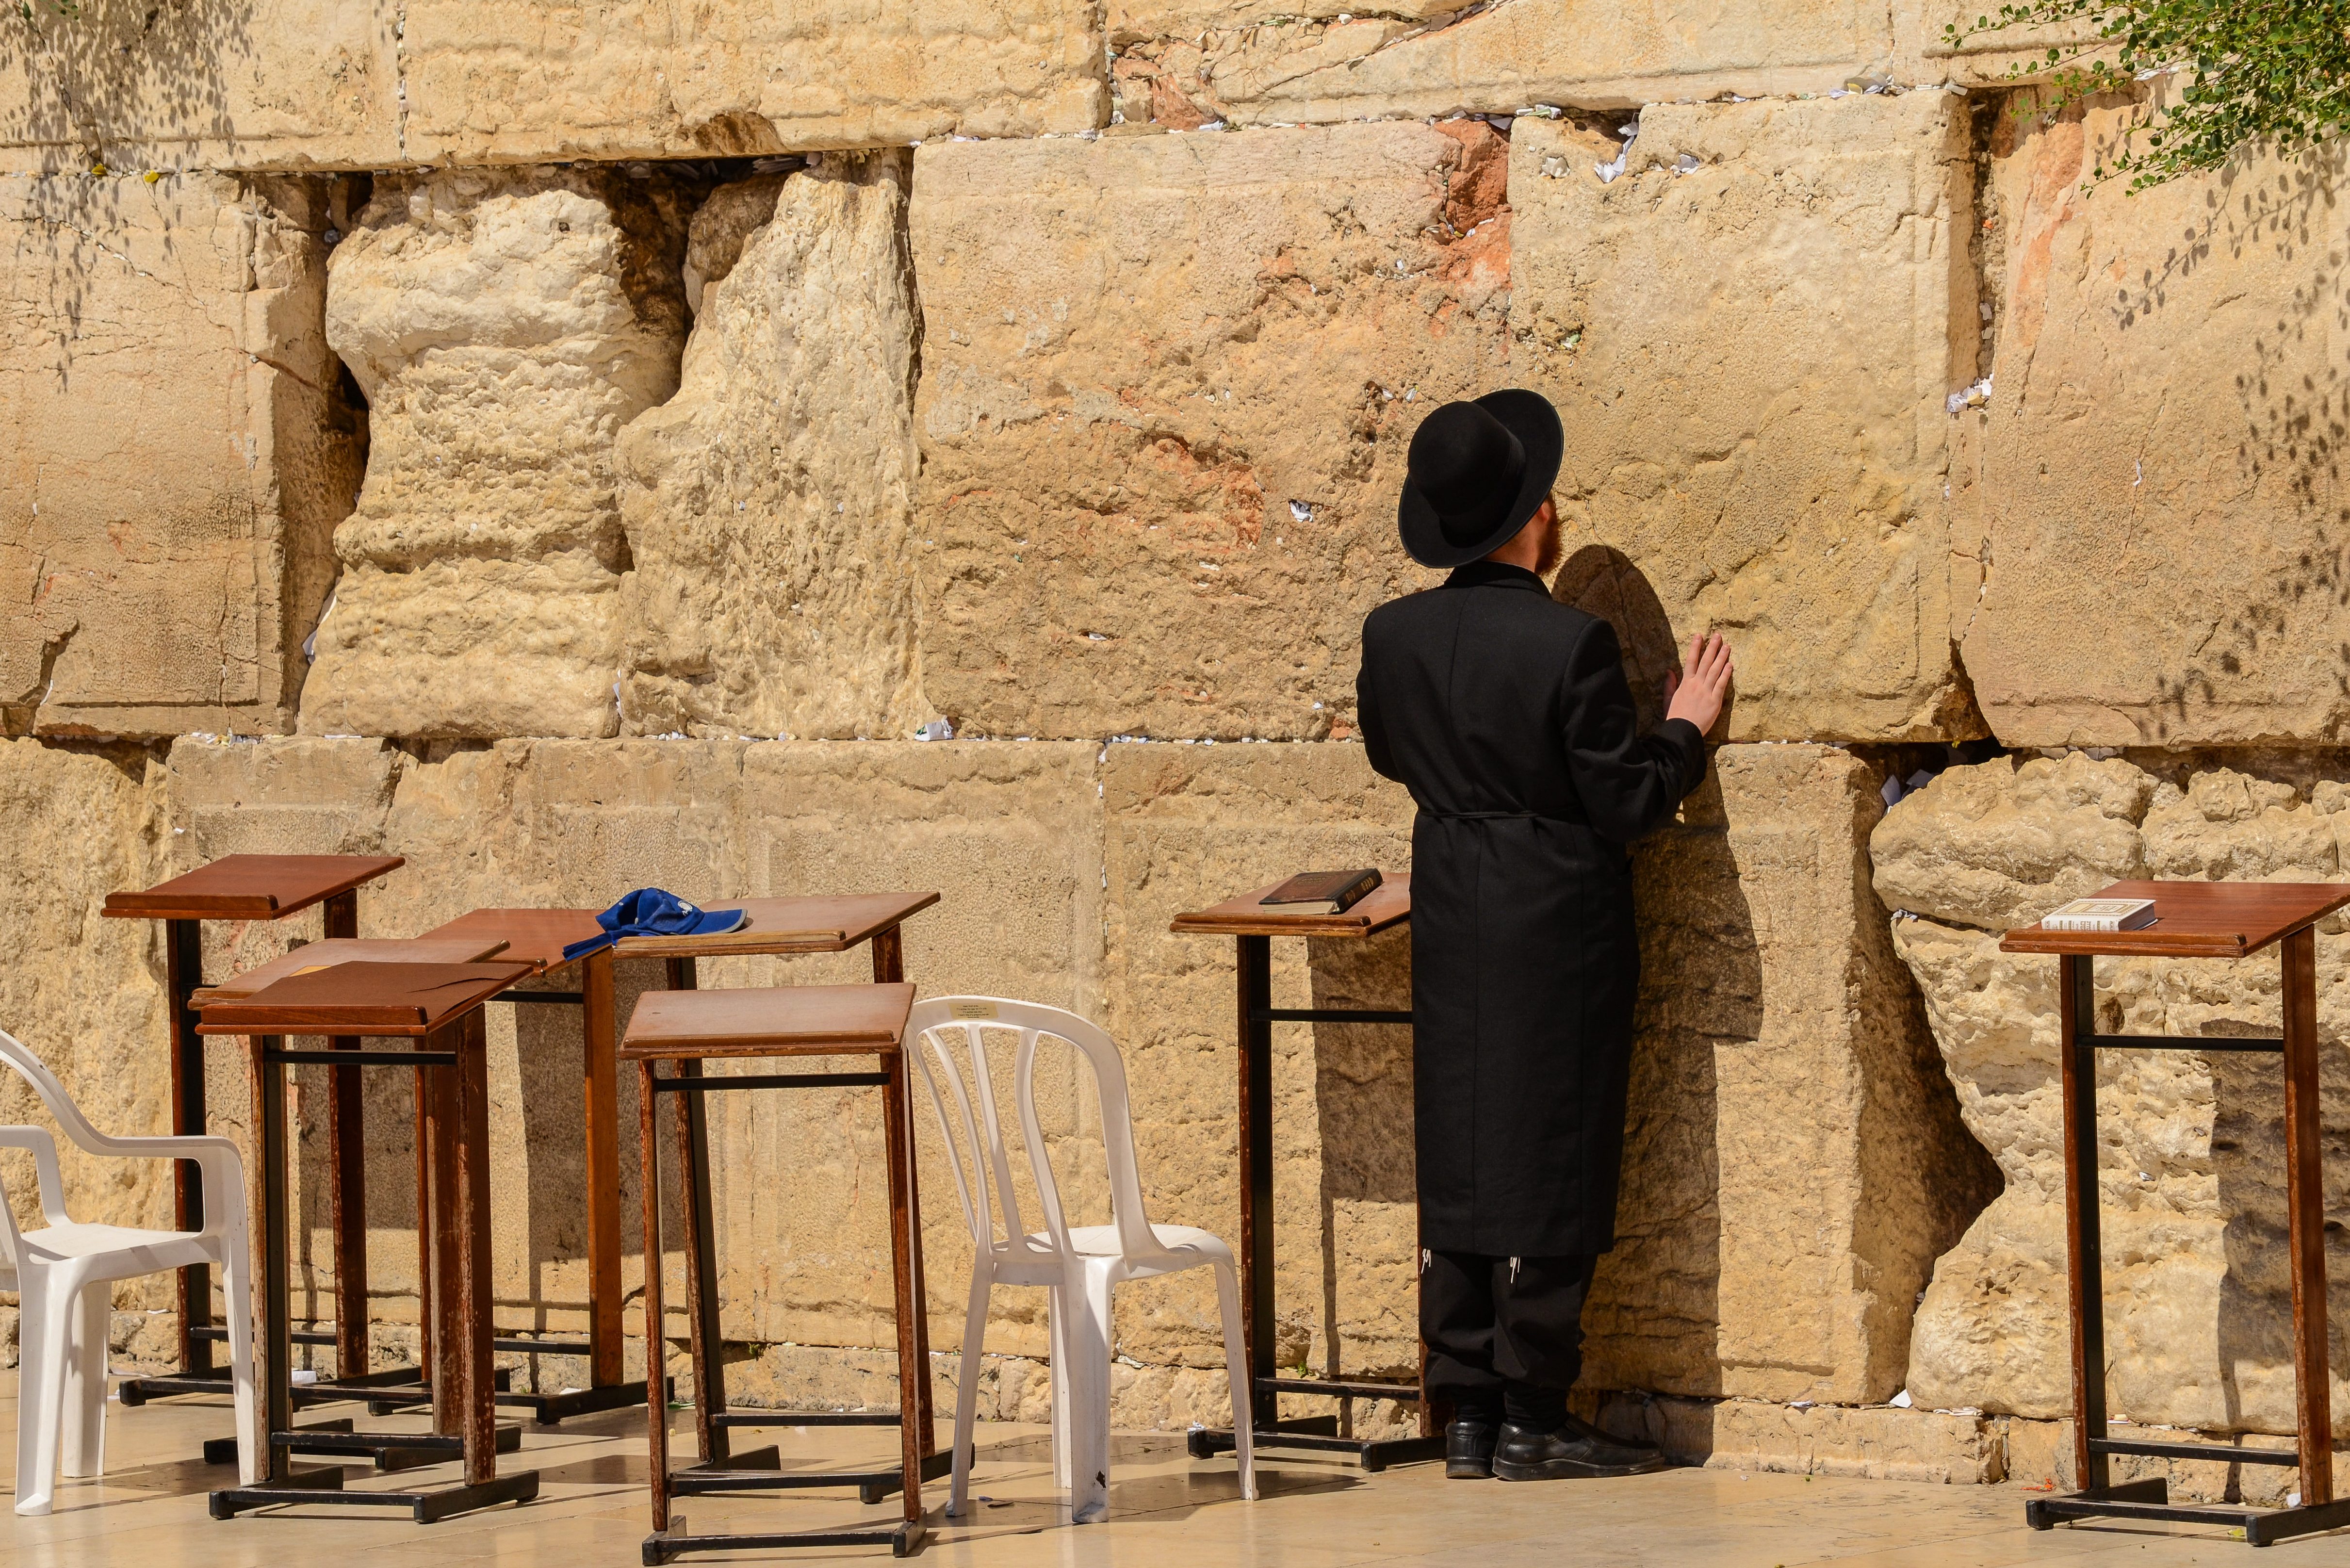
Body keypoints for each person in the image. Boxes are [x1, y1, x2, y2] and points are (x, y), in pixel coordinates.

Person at [1355, 390, 1734, 1483]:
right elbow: (1624, 802)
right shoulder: (1573, 644)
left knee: (1463, 1152)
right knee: (1557, 1156)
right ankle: (1534, 1409)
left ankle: (1463, 1409)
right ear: (1540, 515)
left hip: (1455, 904)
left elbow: (1390, 752)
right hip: (1557, 918)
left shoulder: (1394, 634)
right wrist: (1684, 726)